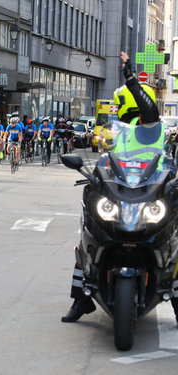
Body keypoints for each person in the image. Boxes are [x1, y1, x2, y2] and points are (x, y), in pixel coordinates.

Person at [61, 51, 178, 323]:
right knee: (85, 244)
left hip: (150, 191)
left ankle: (174, 300)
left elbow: (148, 109)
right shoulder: (119, 132)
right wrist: (93, 177)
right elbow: (106, 161)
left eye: (119, 102)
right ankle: (82, 300)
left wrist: (130, 77)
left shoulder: (151, 128)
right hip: (121, 192)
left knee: (172, 245)